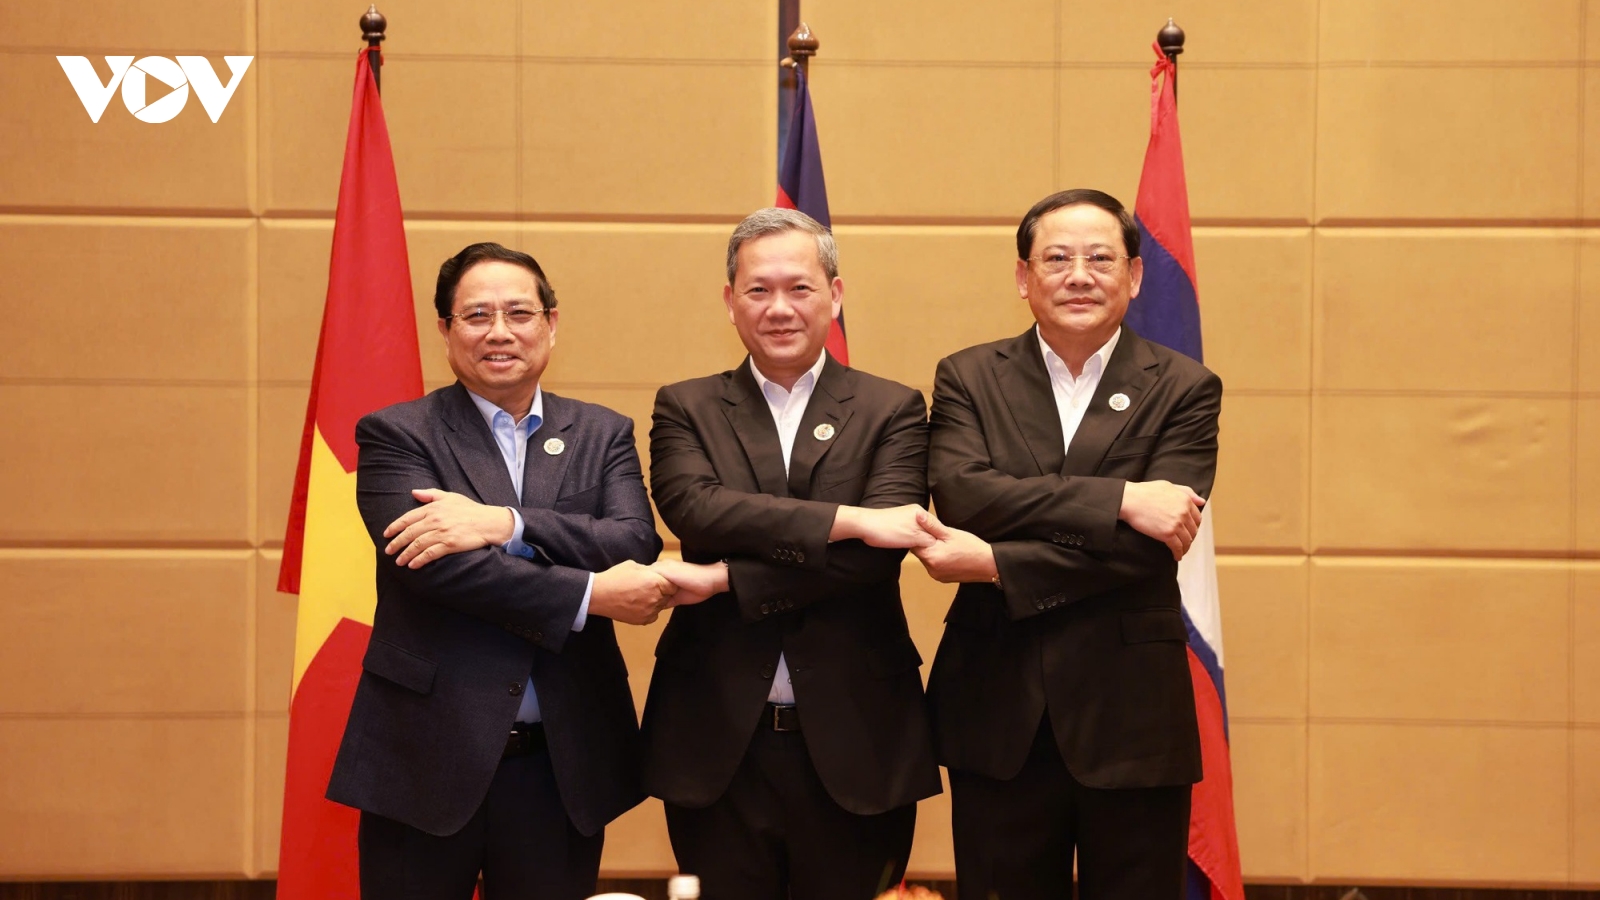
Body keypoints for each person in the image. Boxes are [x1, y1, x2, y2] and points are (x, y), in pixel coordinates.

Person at [326, 242, 674, 900]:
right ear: (445, 330)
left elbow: (633, 541)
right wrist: (590, 593)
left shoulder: (602, 433)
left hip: (561, 763)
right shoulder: (398, 434)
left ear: (551, 323)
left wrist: (505, 524)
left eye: (519, 312)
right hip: (425, 756)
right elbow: (438, 571)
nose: (499, 332)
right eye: (477, 315)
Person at [913, 189, 1222, 900]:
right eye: (1057, 259)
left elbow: (1148, 551)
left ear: (1134, 276)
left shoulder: (1185, 388)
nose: (1079, 276)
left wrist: (996, 561)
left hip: (1133, 714)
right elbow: (963, 497)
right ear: (1024, 277)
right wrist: (1121, 500)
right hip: (998, 703)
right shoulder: (968, 376)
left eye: (1100, 259)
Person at [641, 208, 943, 900]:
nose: (779, 308)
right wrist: (848, 519)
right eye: (758, 290)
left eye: (799, 288)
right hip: (716, 736)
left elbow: (874, 559)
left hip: (860, 735)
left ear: (834, 295)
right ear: (730, 301)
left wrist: (725, 578)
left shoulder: (893, 408)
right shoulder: (686, 406)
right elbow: (695, 508)